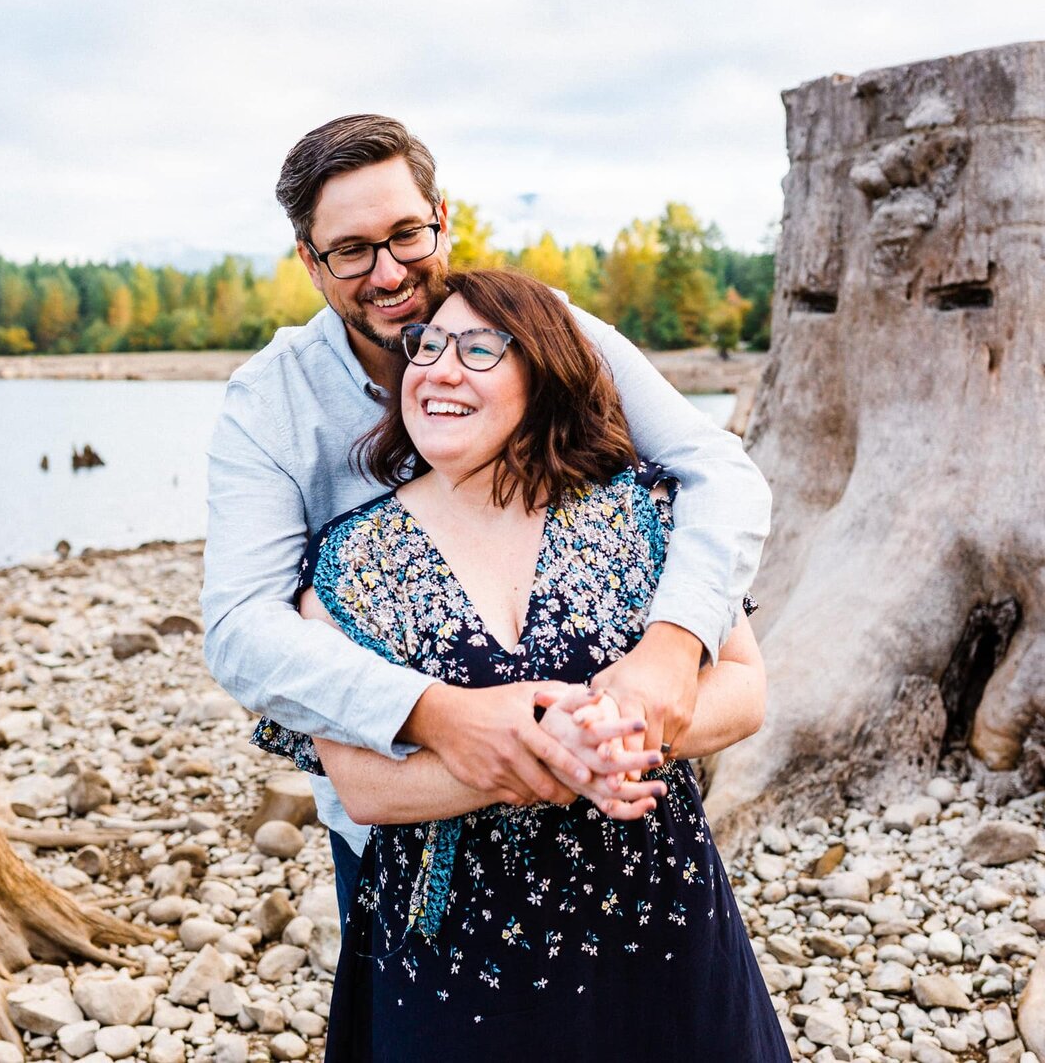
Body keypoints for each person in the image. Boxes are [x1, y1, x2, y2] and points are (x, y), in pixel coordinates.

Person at [200, 114, 773, 917]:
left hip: (622, 811)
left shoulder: (547, 329)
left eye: (407, 234)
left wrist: (672, 649)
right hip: (409, 832)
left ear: (444, 218)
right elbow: (237, 626)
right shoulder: (273, 404)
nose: (390, 272)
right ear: (309, 259)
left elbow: (718, 469)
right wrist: (432, 714)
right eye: (351, 250)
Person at [254, 269, 790, 1060]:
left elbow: (745, 691)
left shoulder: (642, 509)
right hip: (455, 963)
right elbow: (360, 783)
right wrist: (548, 756)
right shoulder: (347, 560)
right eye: (426, 347)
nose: (438, 368)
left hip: (659, 917)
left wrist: (625, 734)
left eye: (478, 349)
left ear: (541, 372)